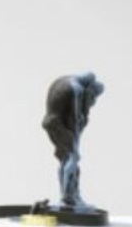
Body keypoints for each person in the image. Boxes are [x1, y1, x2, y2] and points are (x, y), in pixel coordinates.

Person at [42, 72, 105, 211]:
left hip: (50, 122)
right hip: (58, 125)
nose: (93, 100)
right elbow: (76, 118)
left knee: (65, 159)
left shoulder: (66, 79)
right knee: (72, 157)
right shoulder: (77, 88)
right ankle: (68, 198)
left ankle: (68, 196)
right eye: (94, 96)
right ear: (90, 88)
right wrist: (76, 143)